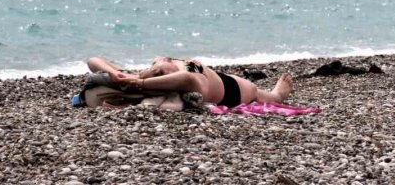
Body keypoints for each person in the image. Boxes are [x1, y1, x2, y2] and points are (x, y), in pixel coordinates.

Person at [86, 55, 294, 107]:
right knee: (259, 94)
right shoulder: (192, 81)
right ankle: (277, 95)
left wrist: (112, 73)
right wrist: (140, 84)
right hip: (232, 90)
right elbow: (185, 77)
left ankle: (275, 94)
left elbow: (93, 60)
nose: (164, 60)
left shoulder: (139, 75)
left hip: (216, 76)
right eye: (162, 68)